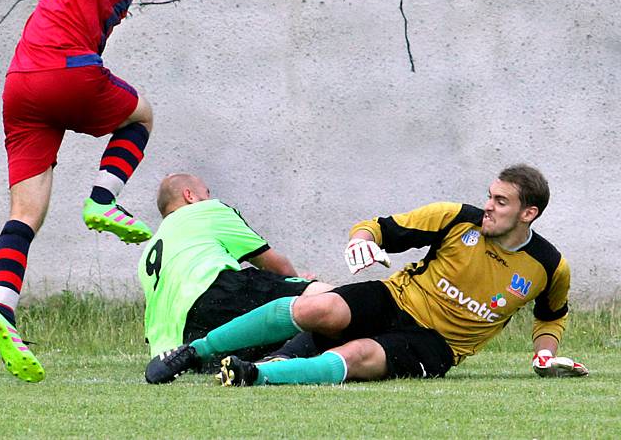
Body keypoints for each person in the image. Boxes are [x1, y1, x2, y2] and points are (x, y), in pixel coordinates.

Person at [0, 0, 222, 383]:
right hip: (65, 71)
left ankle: (2, 313)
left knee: (25, 214)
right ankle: (102, 200)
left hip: (21, 87)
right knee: (142, 116)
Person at [145, 164, 590, 385]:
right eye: (490, 196)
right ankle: (190, 353)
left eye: (502, 202)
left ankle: (254, 376)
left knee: (357, 356)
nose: (489, 206)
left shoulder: (549, 266)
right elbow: (379, 226)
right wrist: (363, 239)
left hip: (437, 343)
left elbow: (551, 316)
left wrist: (544, 355)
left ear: (528, 213)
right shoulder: (456, 218)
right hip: (396, 297)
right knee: (318, 306)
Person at [140, 173, 332, 374]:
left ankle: (274, 356)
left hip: (180, 346)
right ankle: (290, 354)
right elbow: (275, 266)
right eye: (206, 193)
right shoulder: (206, 211)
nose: (209, 198)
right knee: (326, 298)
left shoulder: (150, 250)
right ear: (190, 196)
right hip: (216, 294)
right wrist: (299, 283)